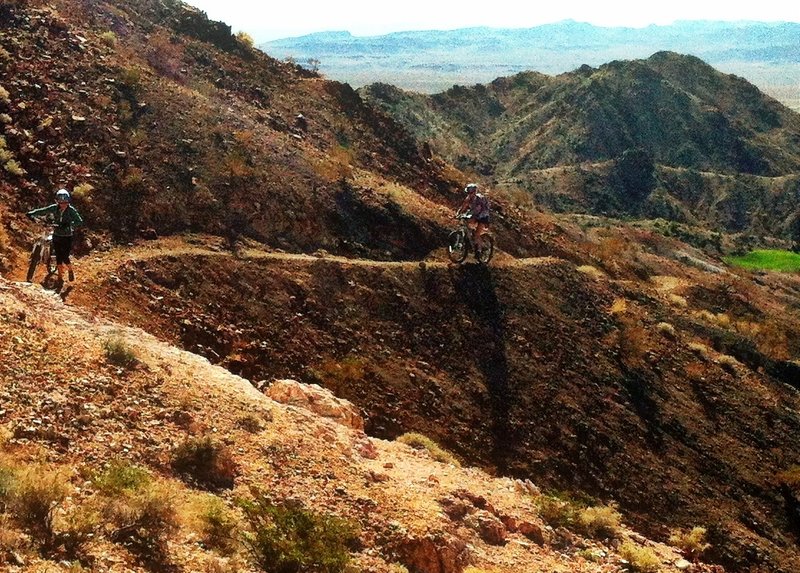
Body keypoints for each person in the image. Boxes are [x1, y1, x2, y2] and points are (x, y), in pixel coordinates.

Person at [26, 188, 83, 284]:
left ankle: (70, 270)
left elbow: (79, 221)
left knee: (65, 256)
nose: (63, 205)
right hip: (57, 234)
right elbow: (43, 210)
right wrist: (31, 213)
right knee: (59, 256)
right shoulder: (54, 208)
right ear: (58, 202)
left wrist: (69, 225)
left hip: (67, 235)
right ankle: (60, 278)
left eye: (65, 202)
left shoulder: (71, 210)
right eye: (61, 203)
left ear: (68, 202)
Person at [455, 182, 490, 252]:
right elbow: (463, 207)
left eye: (470, 193)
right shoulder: (468, 198)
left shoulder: (479, 199)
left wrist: (468, 215)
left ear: (474, 192)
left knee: (477, 234)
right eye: (468, 193)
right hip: (476, 214)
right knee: (467, 223)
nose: (469, 194)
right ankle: (471, 235)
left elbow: (477, 211)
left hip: (483, 216)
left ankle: (479, 250)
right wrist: (458, 214)